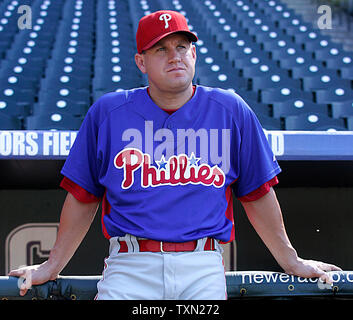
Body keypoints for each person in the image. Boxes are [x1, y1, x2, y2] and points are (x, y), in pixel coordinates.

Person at [9, 10, 341, 300]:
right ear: (141, 61)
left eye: (182, 47)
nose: (175, 56)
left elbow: (257, 193)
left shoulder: (230, 110)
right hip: (130, 264)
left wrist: (291, 260)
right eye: (161, 49)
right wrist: (53, 265)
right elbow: (83, 196)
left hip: (202, 265)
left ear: (194, 54)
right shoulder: (109, 113)